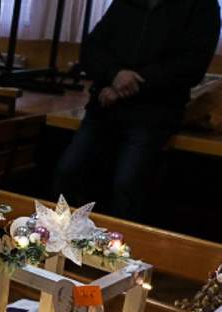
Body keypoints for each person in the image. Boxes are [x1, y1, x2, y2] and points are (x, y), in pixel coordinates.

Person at [51, 0, 221, 221]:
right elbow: (92, 48)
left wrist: (127, 85)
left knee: (127, 184)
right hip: (105, 107)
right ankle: (53, 244)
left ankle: (120, 253)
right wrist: (115, 74)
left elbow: (190, 66)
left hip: (153, 113)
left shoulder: (201, 6)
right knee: (67, 172)